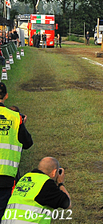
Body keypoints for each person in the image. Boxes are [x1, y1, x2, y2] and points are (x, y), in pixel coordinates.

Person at [2, 156, 71, 222]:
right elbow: (67, 204)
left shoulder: (25, 178)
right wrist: (60, 183)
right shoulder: (46, 183)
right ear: (54, 172)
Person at [0, 82, 33, 217]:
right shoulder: (15, 117)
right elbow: (27, 143)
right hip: (6, 177)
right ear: (6, 96)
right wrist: (21, 124)